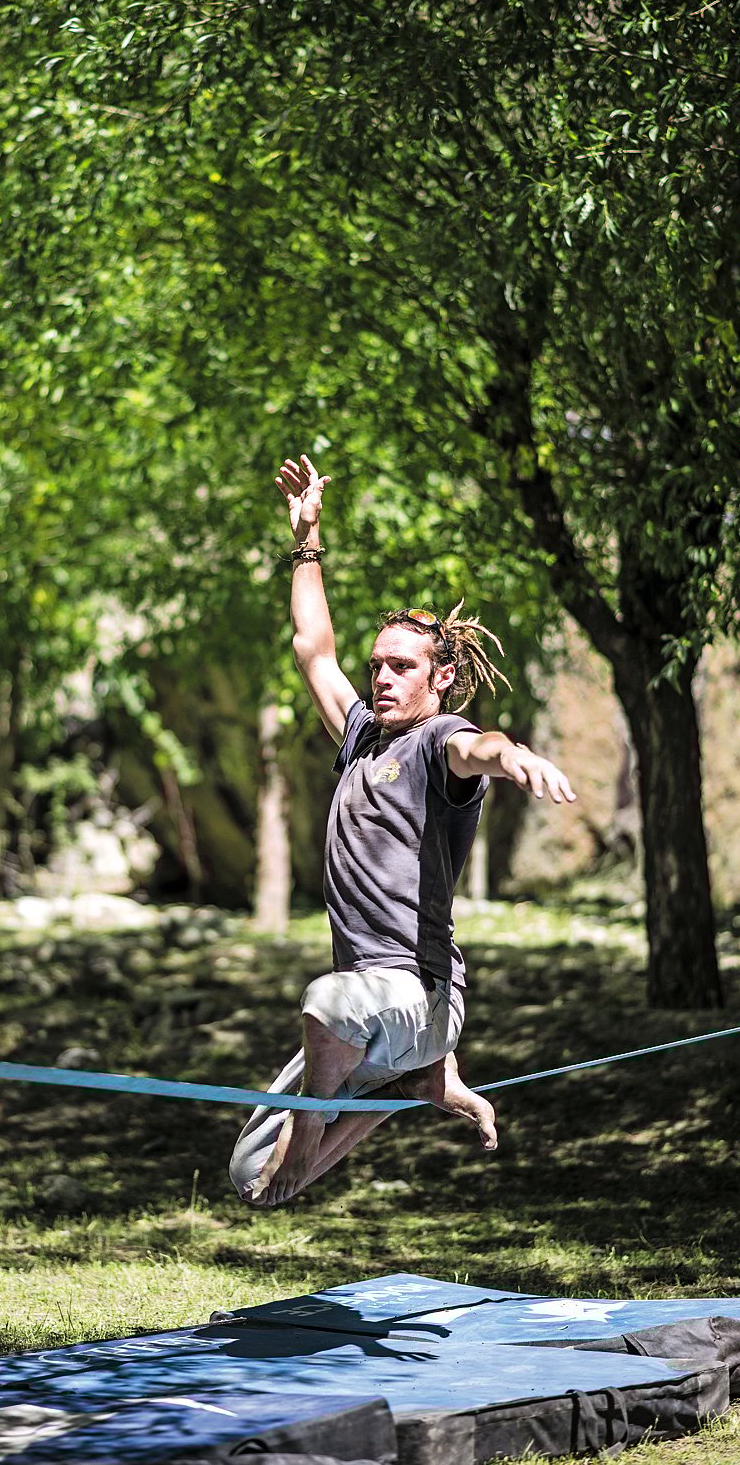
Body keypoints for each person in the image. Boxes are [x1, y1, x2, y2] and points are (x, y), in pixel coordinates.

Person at [229, 454, 576, 1208]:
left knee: (326, 1002)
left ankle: (331, 1116)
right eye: (378, 666)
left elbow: (480, 748)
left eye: (402, 666)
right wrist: (306, 541)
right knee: (250, 1178)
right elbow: (312, 648)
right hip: (372, 1008)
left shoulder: (437, 739)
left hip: (416, 994)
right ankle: (413, 1085)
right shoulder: (362, 739)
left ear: (439, 677)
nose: (383, 677)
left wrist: (516, 758)